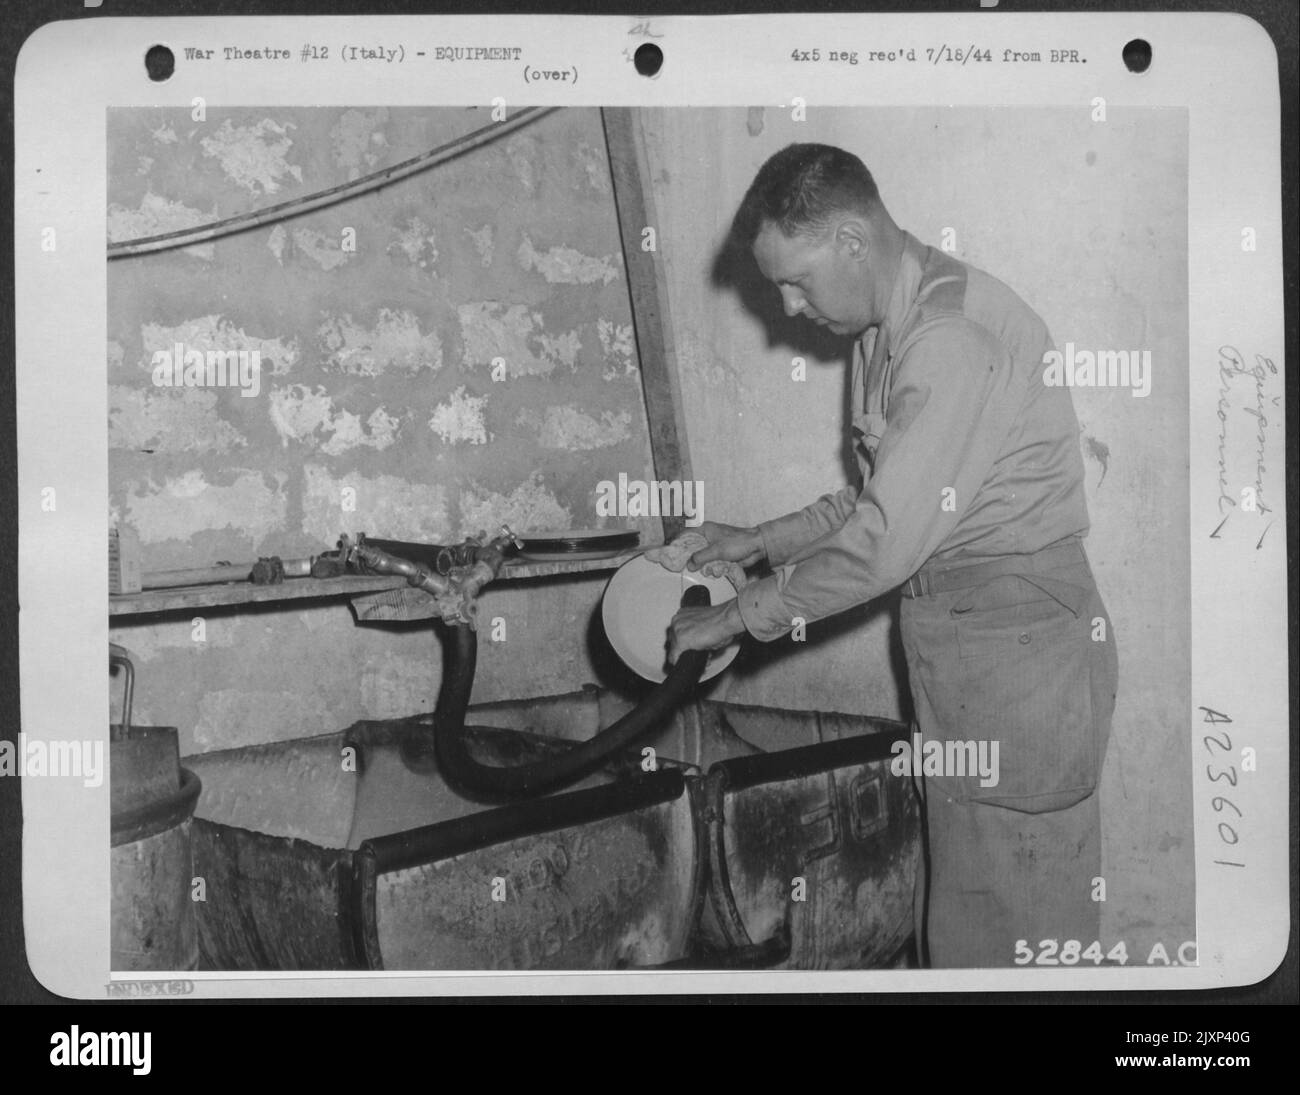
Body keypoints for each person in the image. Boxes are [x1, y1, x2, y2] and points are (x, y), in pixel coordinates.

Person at [666, 143, 1119, 969]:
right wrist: (758, 542)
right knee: (963, 923)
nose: (789, 306)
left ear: (849, 240)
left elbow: (881, 543)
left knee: (1017, 940)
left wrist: (739, 614)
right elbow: (872, 502)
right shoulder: (886, 327)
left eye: (796, 280)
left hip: (1017, 659)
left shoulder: (948, 336)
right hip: (967, 650)